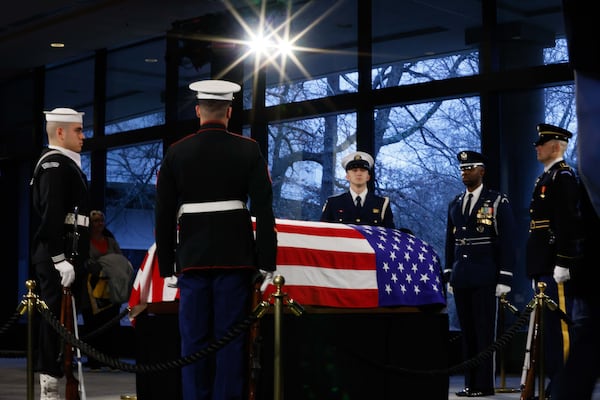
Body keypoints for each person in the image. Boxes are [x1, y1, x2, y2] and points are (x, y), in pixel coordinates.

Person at [154, 79, 278, 400]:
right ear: (229, 111)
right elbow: (264, 210)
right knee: (231, 340)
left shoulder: (176, 153)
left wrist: (166, 266)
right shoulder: (248, 149)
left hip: (192, 260)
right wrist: (266, 262)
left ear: (198, 110)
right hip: (235, 258)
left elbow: (163, 215)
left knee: (193, 341)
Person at [443, 150, 516, 397]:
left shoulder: (496, 201)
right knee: (468, 333)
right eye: (462, 168)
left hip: (486, 276)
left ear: (481, 171)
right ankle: (470, 384)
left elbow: (508, 241)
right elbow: (450, 241)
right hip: (462, 276)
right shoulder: (455, 202)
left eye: (470, 168)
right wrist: (450, 272)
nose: (465, 172)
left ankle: (484, 385)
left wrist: (505, 277)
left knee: (484, 332)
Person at [30, 107, 90, 400]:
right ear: (61, 132)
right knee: (54, 322)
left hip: (68, 254)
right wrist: (58, 258)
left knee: (63, 322)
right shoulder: (54, 165)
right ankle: (49, 387)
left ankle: (60, 380)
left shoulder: (68, 165)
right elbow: (52, 216)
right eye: (78, 130)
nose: (83, 136)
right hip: (59, 255)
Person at [526, 123, 582, 395]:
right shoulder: (545, 179)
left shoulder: (564, 177)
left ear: (557, 146)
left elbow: (569, 221)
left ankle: (564, 385)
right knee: (548, 331)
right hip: (542, 261)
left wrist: (564, 260)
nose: (537, 146)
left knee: (561, 330)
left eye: (542, 142)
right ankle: (555, 384)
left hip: (554, 262)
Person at [81, 210, 129, 371]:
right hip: (91, 290)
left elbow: (120, 260)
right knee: (94, 325)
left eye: (101, 220)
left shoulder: (111, 241)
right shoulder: (84, 242)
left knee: (111, 325)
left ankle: (111, 359)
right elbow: (85, 262)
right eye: (95, 221)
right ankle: (94, 360)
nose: (99, 223)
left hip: (111, 288)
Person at [320, 151, 395, 228]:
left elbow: (390, 234)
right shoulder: (333, 203)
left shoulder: (381, 204)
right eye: (354, 170)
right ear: (347, 176)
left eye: (363, 170)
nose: (359, 173)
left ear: (368, 177)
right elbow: (323, 233)